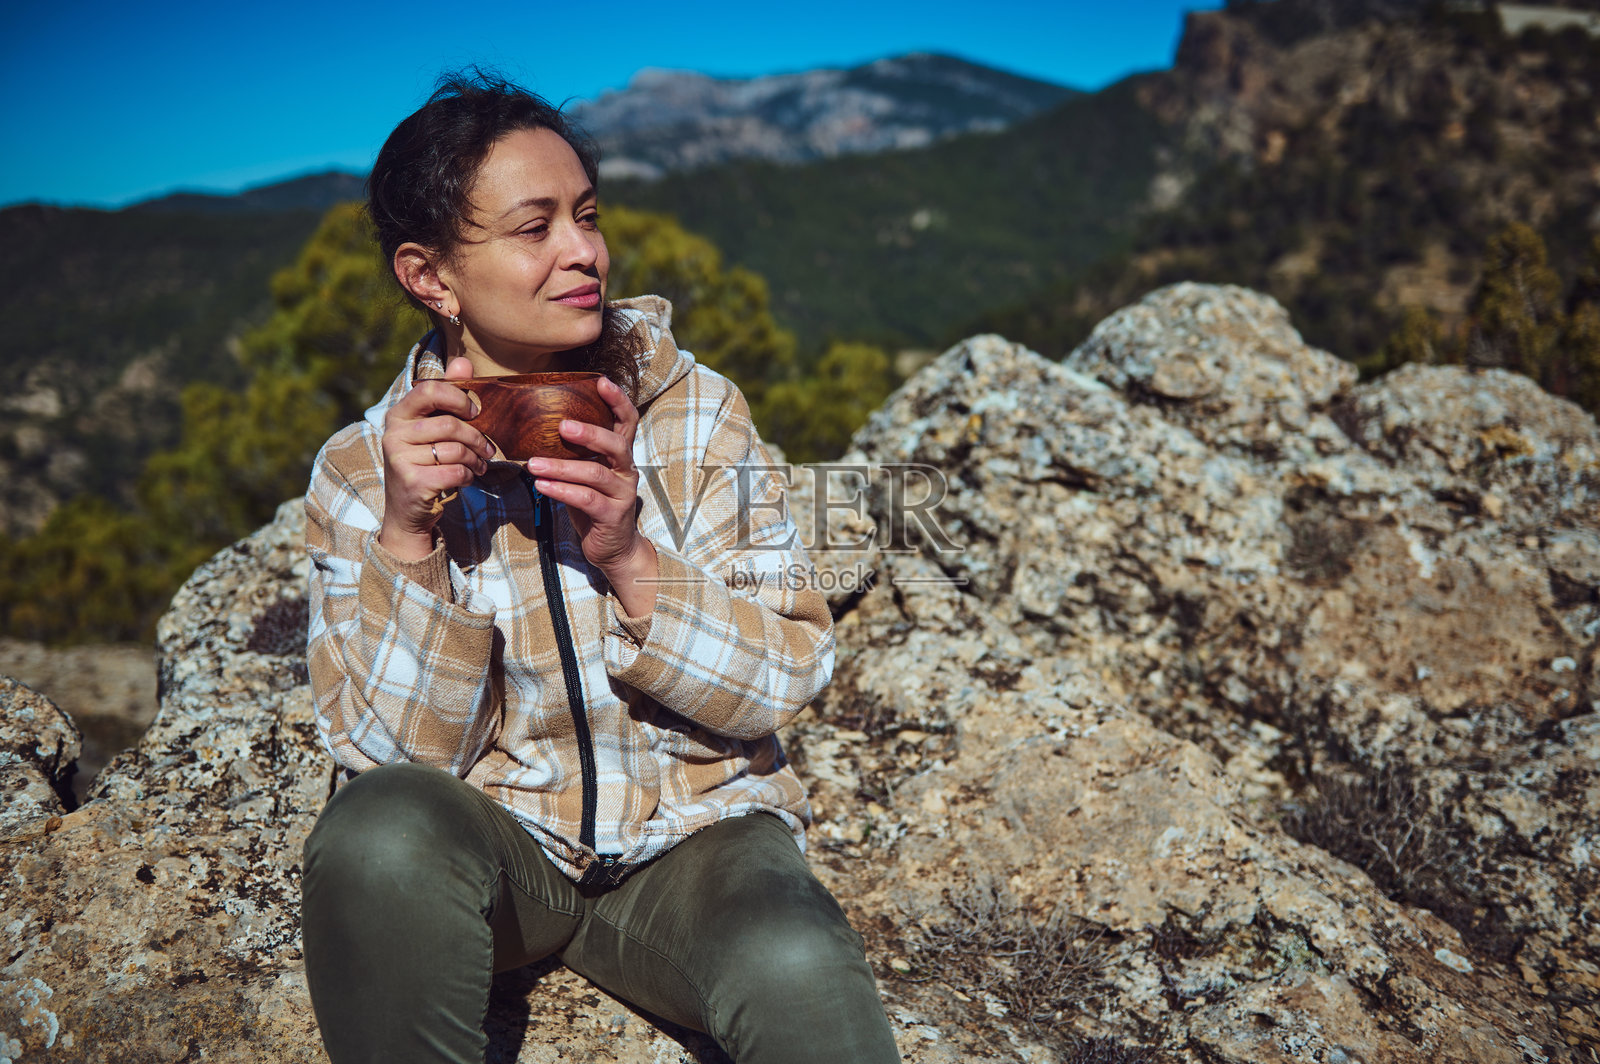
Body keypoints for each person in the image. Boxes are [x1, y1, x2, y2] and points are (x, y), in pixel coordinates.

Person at [297, 71, 902, 1064]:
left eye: (586, 214)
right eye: (533, 228)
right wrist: (409, 538)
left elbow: (784, 674)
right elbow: (395, 771)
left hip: (695, 847)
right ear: (431, 277)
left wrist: (628, 554)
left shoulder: (698, 414)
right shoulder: (364, 470)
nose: (584, 251)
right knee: (377, 836)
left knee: (797, 958)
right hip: (502, 860)